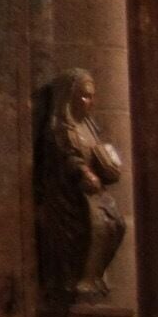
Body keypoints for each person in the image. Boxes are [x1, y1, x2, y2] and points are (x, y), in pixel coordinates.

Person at [35, 68, 127, 300]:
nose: (90, 102)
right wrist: (84, 172)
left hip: (93, 193)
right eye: (84, 96)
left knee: (116, 223)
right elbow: (67, 157)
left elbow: (98, 153)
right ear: (69, 97)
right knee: (91, 228)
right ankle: (78, 279)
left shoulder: (89, 128)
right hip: (68, 198)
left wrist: (108, 165)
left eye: (92, 96)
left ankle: (93, 276)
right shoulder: (60, 128)